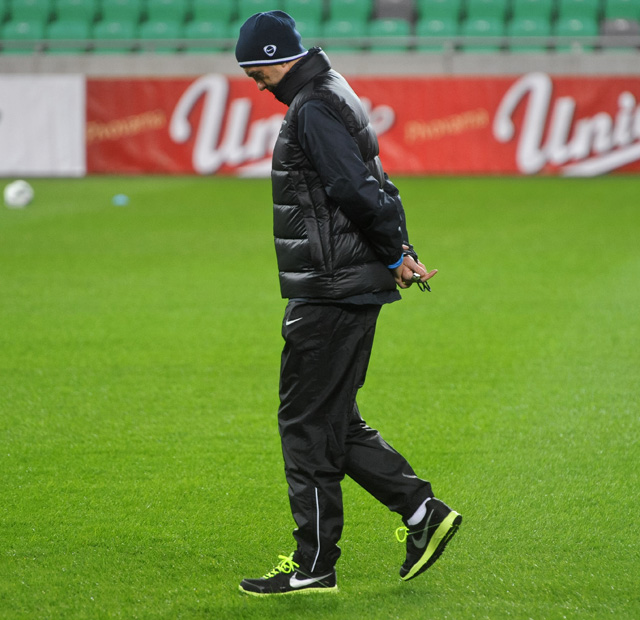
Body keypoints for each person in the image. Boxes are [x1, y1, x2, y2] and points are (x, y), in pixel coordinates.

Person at [235, 11, 462, 597]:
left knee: (307, 424)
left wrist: (394, 253)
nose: (254, 84)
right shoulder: (333, 88)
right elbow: (376, 180)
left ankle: (314, 565)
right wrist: (398, 249)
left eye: (256, 72)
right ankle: (422, 513)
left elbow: (355, 188)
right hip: (348, 281)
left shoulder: (311, 105)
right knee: (334, 418)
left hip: (330, 286)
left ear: (275, 58)